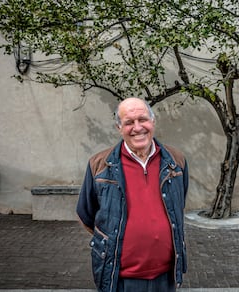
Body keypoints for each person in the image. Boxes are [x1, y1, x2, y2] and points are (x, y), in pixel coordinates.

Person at [76, 97, 189, 292]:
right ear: (119, 128)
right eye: (129, 122)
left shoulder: (176, 162)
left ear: (152, 121)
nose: (137, 127)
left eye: (143, 119)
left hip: (166, 277)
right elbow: (87, 214)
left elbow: (178, 205)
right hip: (119, 278)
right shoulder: (99, 165)